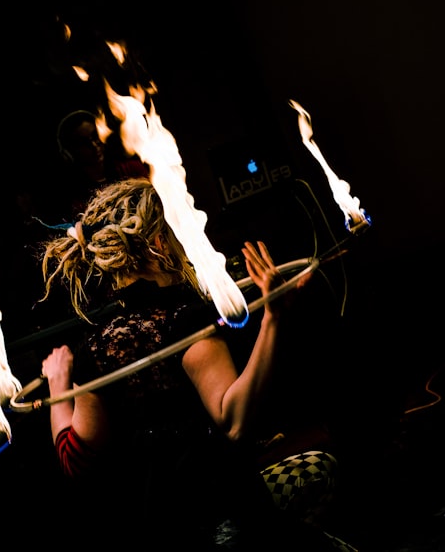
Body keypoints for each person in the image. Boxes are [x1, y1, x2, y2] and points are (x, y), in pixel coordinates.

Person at [36, 178, 339, 548]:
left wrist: (58, 385)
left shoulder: (96, 350)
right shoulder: (183, 321)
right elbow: (233, 419)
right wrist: (274, 317)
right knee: (319, 468)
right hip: (224, 520)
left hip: (159, 529)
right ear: (161, 242)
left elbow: (74, 460)